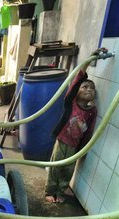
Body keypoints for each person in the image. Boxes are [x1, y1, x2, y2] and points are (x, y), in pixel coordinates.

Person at [45, 48, 107, 203]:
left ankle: (60, 191)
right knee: (55, 166)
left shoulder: (92, 111)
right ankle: (50, 191)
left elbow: (90, 131)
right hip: (62, 140)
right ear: (77, 92)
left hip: (75, 145)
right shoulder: (70, 102)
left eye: (92, 89)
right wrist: (90, 57)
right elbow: (77, 79)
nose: (88, 90)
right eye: (84, 87)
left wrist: (83, 149)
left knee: (68, 170)